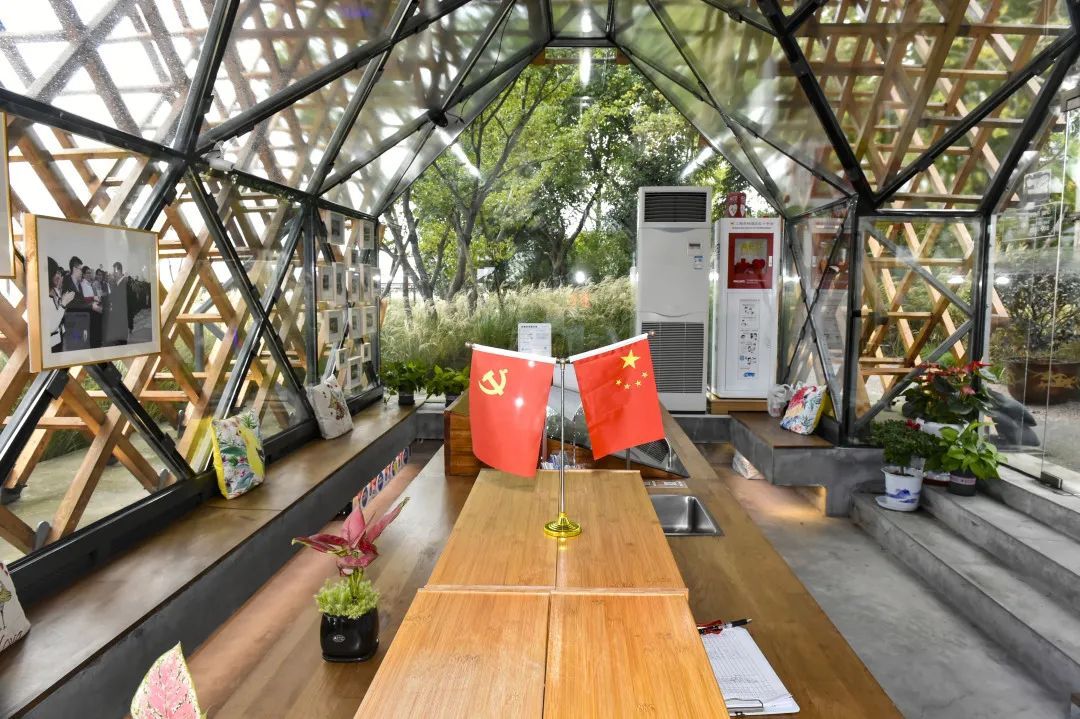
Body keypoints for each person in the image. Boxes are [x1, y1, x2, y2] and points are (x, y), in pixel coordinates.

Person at [44, 258, 75, 352]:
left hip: (60, 338)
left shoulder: (54, 290)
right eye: (56, 273)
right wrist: (63, 304)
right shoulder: (42, 296)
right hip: (51, 344)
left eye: (59, 273)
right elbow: (51, 327)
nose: (59, 276)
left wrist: (63, 301)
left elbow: (58, 312)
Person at [104, 261, 130, 345]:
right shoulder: (118, 283)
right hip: (119, 320)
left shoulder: (123, 283)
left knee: (121, 344)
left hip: (121, 319)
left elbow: (117, 300)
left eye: (114, 271)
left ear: (119, 271)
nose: (113, 274)